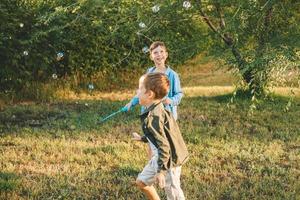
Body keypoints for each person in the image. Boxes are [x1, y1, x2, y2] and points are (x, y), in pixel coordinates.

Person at [131, 73, 189, 200]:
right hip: (160, 156)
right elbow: (160, 136)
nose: (137, 91)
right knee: (142, 182)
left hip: (169, 162)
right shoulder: (155, 109)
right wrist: (142, 138)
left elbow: (165, 146)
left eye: (140, 88)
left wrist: (161, 171)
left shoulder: (155, 117)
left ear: (150, 94)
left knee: (174, 195)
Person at [125, 41, 183, 121]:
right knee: (151, 130)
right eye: (155, 52)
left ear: (166, 54)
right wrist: (132, 103)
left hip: (166, 114)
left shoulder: (172, 75)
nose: (159, 54)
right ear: (151, 57)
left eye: (161, 51)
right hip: (150, 112)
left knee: (163, 132)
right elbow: (143, 90)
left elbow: (179, 94)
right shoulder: (149, 73)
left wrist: (171, 100)